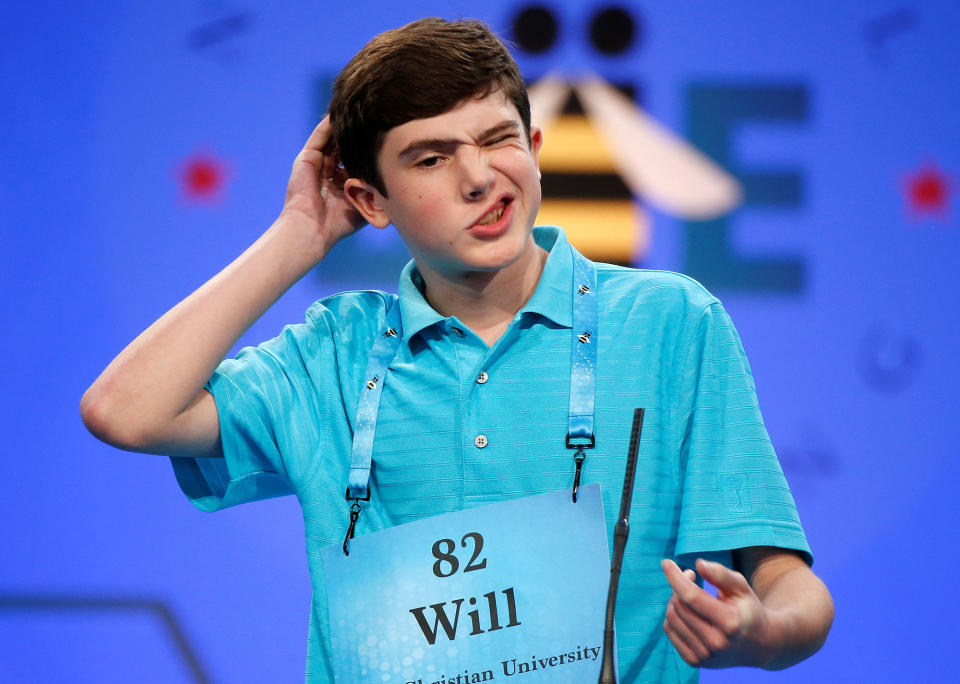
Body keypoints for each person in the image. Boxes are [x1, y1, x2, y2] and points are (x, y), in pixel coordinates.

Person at [81, 17, 833, 683]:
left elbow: (792, 588)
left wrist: (760, 635)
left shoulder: (669, 321)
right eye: (431, 159)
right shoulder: (333, 357)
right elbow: (125, 413)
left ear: (536, 149)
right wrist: (298, 236)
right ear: (370, 200)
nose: (480, 177)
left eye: (499, 140)